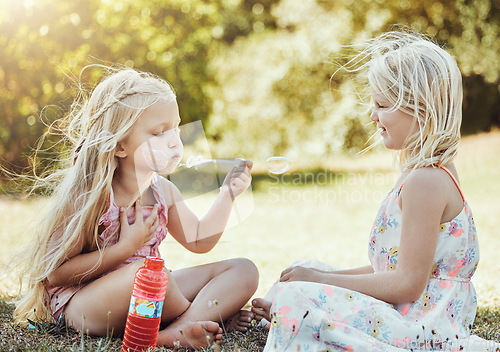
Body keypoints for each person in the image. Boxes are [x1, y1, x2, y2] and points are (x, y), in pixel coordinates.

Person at [241, 31, 500, 351]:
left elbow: (406, 285)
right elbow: (391, 268)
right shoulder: (424, 175)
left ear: (420, 109)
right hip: (408, 312)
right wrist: (315, 275)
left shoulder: (426, 182)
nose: (372, 115)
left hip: (419, 325)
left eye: (381, 104)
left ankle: (293, 316)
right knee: (307, 267)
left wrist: (319, 282)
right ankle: (290, 315)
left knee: (302, 288)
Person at [13, 67, 259, 349]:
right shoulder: (91, 196)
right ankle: (194, 318)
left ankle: (178, 328)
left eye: (176, 128)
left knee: (243, 270)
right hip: (84, 305)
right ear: (119, 147)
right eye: (159, 132)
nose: (174, 141)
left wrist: (227, 194)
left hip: (151, 291)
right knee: (149, 275)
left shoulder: (163, 191)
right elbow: (57, 274)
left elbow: (200, 240)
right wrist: (124, 248)